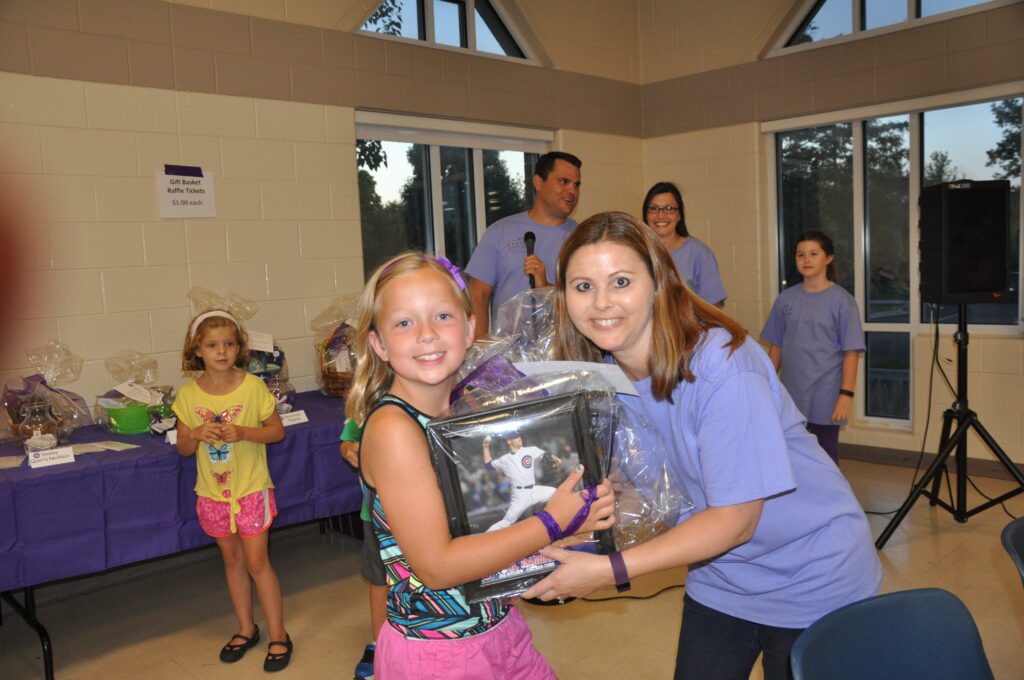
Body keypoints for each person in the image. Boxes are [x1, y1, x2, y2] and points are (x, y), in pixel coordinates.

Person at [522, 212, 881, 680]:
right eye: (583, 286)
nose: (602, 302)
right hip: (722, 577)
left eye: (621, 281)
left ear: (658, 283)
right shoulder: (601, 380)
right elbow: (649, 490)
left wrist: (608, 570)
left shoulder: (722, 364)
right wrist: (547, 534)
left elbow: (736, 520)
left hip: (813, 577)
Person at [346, 251, 615, 679]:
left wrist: (578, 522)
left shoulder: (461, 418)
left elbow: (488, 532)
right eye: (404, 323)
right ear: (378, 343)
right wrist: (551, 523)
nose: (427, 335)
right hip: (438, 654)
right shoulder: (395, 430)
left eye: (442, 317)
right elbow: (437, 567)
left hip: (497, 628)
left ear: (471, 328)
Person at [172, 310, 292, 672]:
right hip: (212, 494)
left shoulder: (253, 388)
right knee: (233, 562)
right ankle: (246, 628)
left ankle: (278, 635)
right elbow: (183, 448)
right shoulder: (189, 396)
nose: (221, 351)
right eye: (212, 345)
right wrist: (194, 433)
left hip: (251, 490)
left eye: (228, 344)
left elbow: (276, 432)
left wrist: (243, 432)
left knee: (258, 562)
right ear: (198, 350)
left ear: (239, 347)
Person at [760, 230, 864, 464]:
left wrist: (845, 396)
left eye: (813, 254)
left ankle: (831, 500)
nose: (806, 260)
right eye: (800, 255)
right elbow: (776, 348)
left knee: (824, 459)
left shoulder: (843, 301)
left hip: (826, 397)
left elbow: (851, 353)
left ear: (828, 258)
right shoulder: (785, 300)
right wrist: (766, 386)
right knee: (791, 458)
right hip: (791, 396)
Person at [466, 151, 582, 338]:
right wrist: (481, 349)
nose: (572, 191)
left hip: (564, 353)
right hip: (509, 355)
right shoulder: (501, 231)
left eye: (576, 185)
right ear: (538, 182)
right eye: (563, 182)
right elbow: (478, 295)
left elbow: (586, 296)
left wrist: (545, 286)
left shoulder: (583, 237)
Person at [340, 419, 386, 680]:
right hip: (375, 514)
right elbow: (347, 439)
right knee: (379, 581)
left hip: (419, 513)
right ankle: (380, 643)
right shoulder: (365, 402)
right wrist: (348, 449)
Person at [641, 181, 727, 307]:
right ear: (646, 214)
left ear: (679, 215)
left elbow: (713, 308)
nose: (660, 215)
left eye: (669, 208)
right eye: (654, 208)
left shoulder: (699, 253)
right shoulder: (635, 252)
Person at [483, 432, 559, 532]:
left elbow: (545, 455)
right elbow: (488, 465)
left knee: (556, 493)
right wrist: (485, 447)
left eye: (519, 436)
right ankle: (484, 538)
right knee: (507, 522)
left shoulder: (530, 450)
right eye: (515, 437)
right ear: (509, 441)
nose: (519, 438)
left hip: (534, 490)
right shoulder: (505, 459)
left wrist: (556, 459)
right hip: (520, 495)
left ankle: (549, 521)